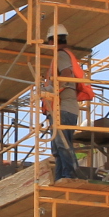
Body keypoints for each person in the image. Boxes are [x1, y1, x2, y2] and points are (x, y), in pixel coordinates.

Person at [42, 25, 89, 180]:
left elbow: (66, 74)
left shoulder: (61, 55)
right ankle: (61, 176)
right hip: (62, 107)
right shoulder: (63, 55)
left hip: (63, 107)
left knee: (62, 144)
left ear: (51, 41)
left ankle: (69, 174)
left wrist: (52, 90)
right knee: (58, 146)